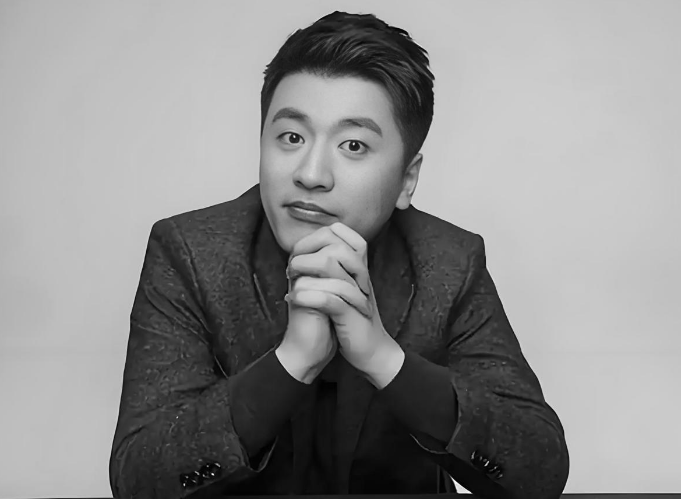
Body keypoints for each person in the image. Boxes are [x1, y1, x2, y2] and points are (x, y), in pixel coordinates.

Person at [109, 11, 569, 499]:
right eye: (292, 137)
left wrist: (384, 359)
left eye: (353, 145)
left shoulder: (448, 262)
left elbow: (538, 473)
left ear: (407, 179)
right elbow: (139, 480)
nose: (311, 174)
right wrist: (291, 362)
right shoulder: (190, 252)